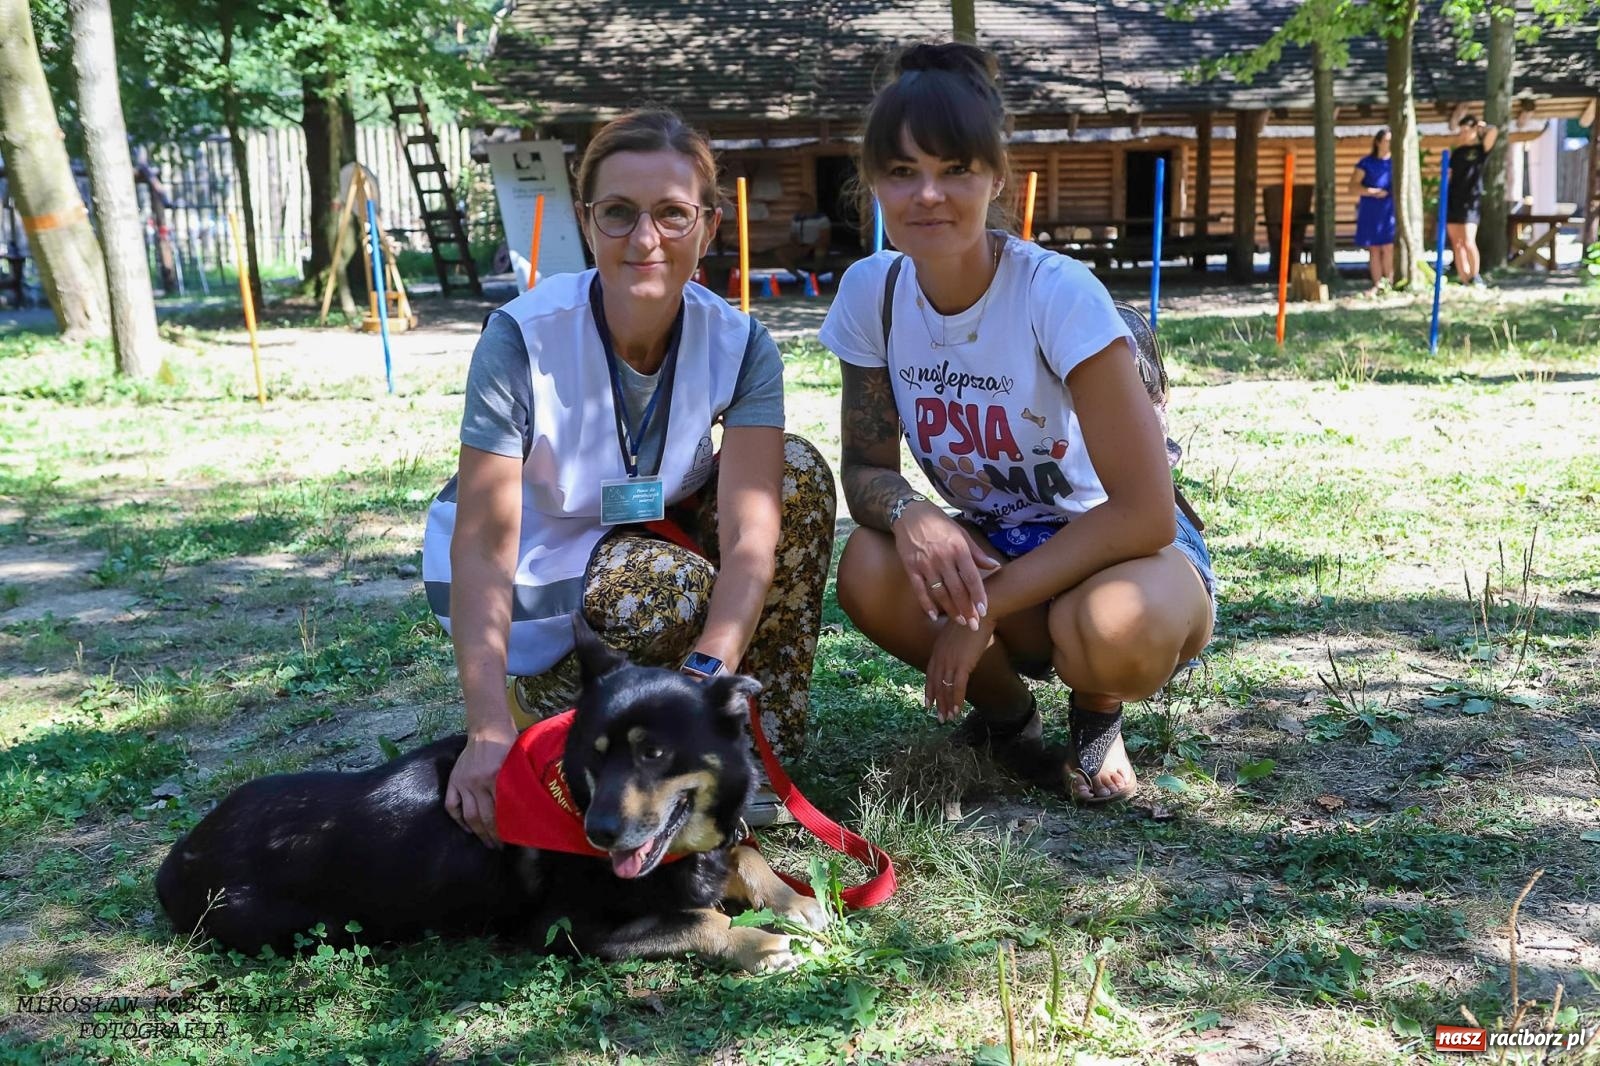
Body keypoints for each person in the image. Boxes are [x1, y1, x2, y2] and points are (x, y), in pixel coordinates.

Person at [424, 109, 836, 847]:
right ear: (587, 223)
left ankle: (737, 745)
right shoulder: (520, 339)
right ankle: (548, 707)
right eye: (619, 213)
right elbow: (484, 545)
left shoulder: (741, 343)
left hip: (647, 539)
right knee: (658, 586)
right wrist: (485, 729)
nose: (645, 240)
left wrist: (711, 678)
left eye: (672, 214)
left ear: (708, 228)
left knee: (795, 474)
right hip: (549, 578)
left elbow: (750, 536)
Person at [818, 43, 1215, 806]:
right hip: (997, 548)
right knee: (868, 568)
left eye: (955, 169)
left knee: (1115, 625)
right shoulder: (873, 293)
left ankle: (1097, 716)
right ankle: (1010, 721)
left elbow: (1145, 511)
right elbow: (864, 468)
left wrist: (983, 609)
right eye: (902, 172)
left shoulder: (1056, 293)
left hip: (1122, 555)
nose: (927, 194)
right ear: (872, 184)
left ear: (997, 176)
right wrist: (914, 514)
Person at [1446, 115, 1499, 288]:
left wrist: (1483, 127)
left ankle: (1475, 276)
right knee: (1457, 242)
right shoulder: (1457, 152)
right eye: (1461, 131)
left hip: (1470, 201)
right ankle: (1464, 278)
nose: (1463, 134)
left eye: (1466, 130)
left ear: (1475, 129)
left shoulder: (1480, 150)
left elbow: (1494, 132)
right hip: (1453, 200)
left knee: (1468, 240)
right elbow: (1450, 175)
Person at [1349, 128, 1395, 294]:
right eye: (1387, 140)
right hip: (1371, 209)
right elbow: (1352, 187)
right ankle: (1377, 285)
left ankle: (1389, 283)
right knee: (1374, 248)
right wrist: (1373, 192)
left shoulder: (1396, 162)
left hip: (1390, 210)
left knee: (1389, 247)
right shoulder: (1366, 163)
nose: (1389, 144)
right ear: (1378, 142)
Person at [776, 193, 833, 283]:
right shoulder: (796, 218)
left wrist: (808, 248)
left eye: (805, 203)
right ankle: (799, 277)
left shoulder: (821, 218)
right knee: (780, 253)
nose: (803, 205)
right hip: (801, 247)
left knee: (820, 251)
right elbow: (793, 236)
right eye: (800, 203)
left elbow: (824, 238)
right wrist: (797, 247)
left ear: (811, 203)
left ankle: (815, 277)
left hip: (815, 246)